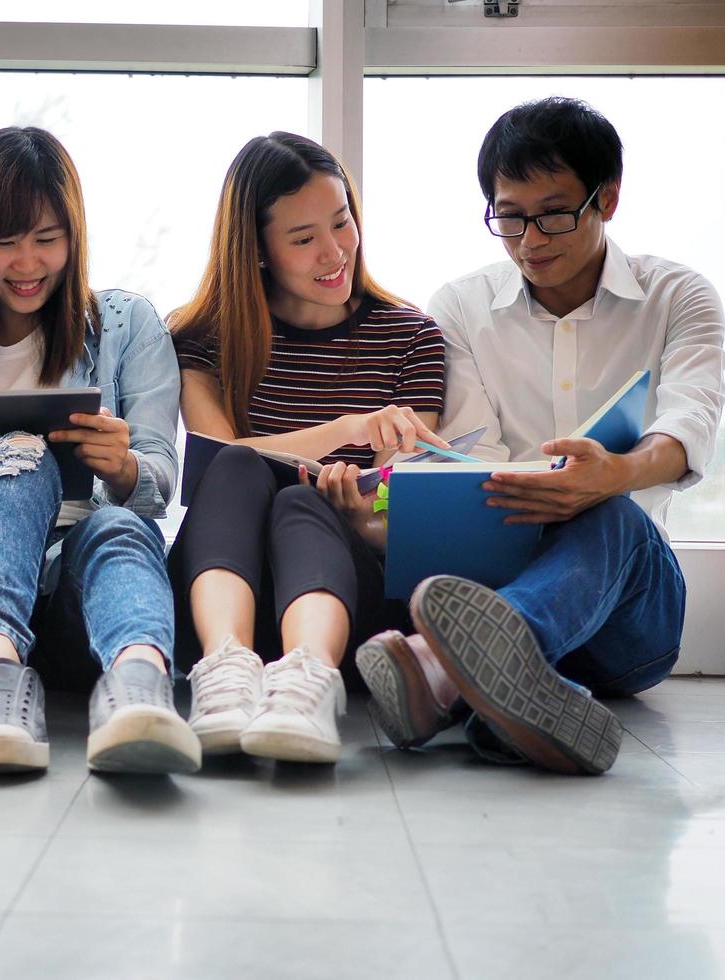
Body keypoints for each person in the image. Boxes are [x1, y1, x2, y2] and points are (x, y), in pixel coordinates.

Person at [357, 96, 725, 775]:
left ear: (607, 199)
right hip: (501, 573)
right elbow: (475, 460)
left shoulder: (679, 296)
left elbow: (689, 423)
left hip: (630, 616)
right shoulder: (463, 305)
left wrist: (611, 475)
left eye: (555, 213)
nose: (531, 239)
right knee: (506, 504)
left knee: (608, 510)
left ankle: (440, 668)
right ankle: (515, 699)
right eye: (510, 216)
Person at [0, 126, 201, 775]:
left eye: (47, 239)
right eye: (5, 242)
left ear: (74, 236)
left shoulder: (126, 326)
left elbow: (158, 481)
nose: (28, 263)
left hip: (79, 593)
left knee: (119, 524)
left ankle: (141, 691)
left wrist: (124, 468)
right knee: (19, 455)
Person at [168, 132, 449, 765]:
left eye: (342, 222)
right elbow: (216, 452)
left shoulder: (412, 338)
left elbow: (404, 501)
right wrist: (342, 431)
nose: (335, 251)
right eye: (303, 239)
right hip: (221, 598)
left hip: (346, 601)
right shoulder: (200, 338)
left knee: (305, 500)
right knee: (239, 464)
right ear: (258, 251)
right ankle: (224, 675)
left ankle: (308, 684)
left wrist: (358, 504)